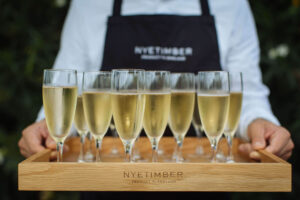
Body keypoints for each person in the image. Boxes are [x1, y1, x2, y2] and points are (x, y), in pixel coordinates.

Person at [19, 0, 294, 162]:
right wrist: (48, 129)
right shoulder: (89, 4)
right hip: (108, 183)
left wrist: (263, 125)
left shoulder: (231, 5)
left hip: (202, 183)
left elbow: (245, 96)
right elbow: (69, 90)